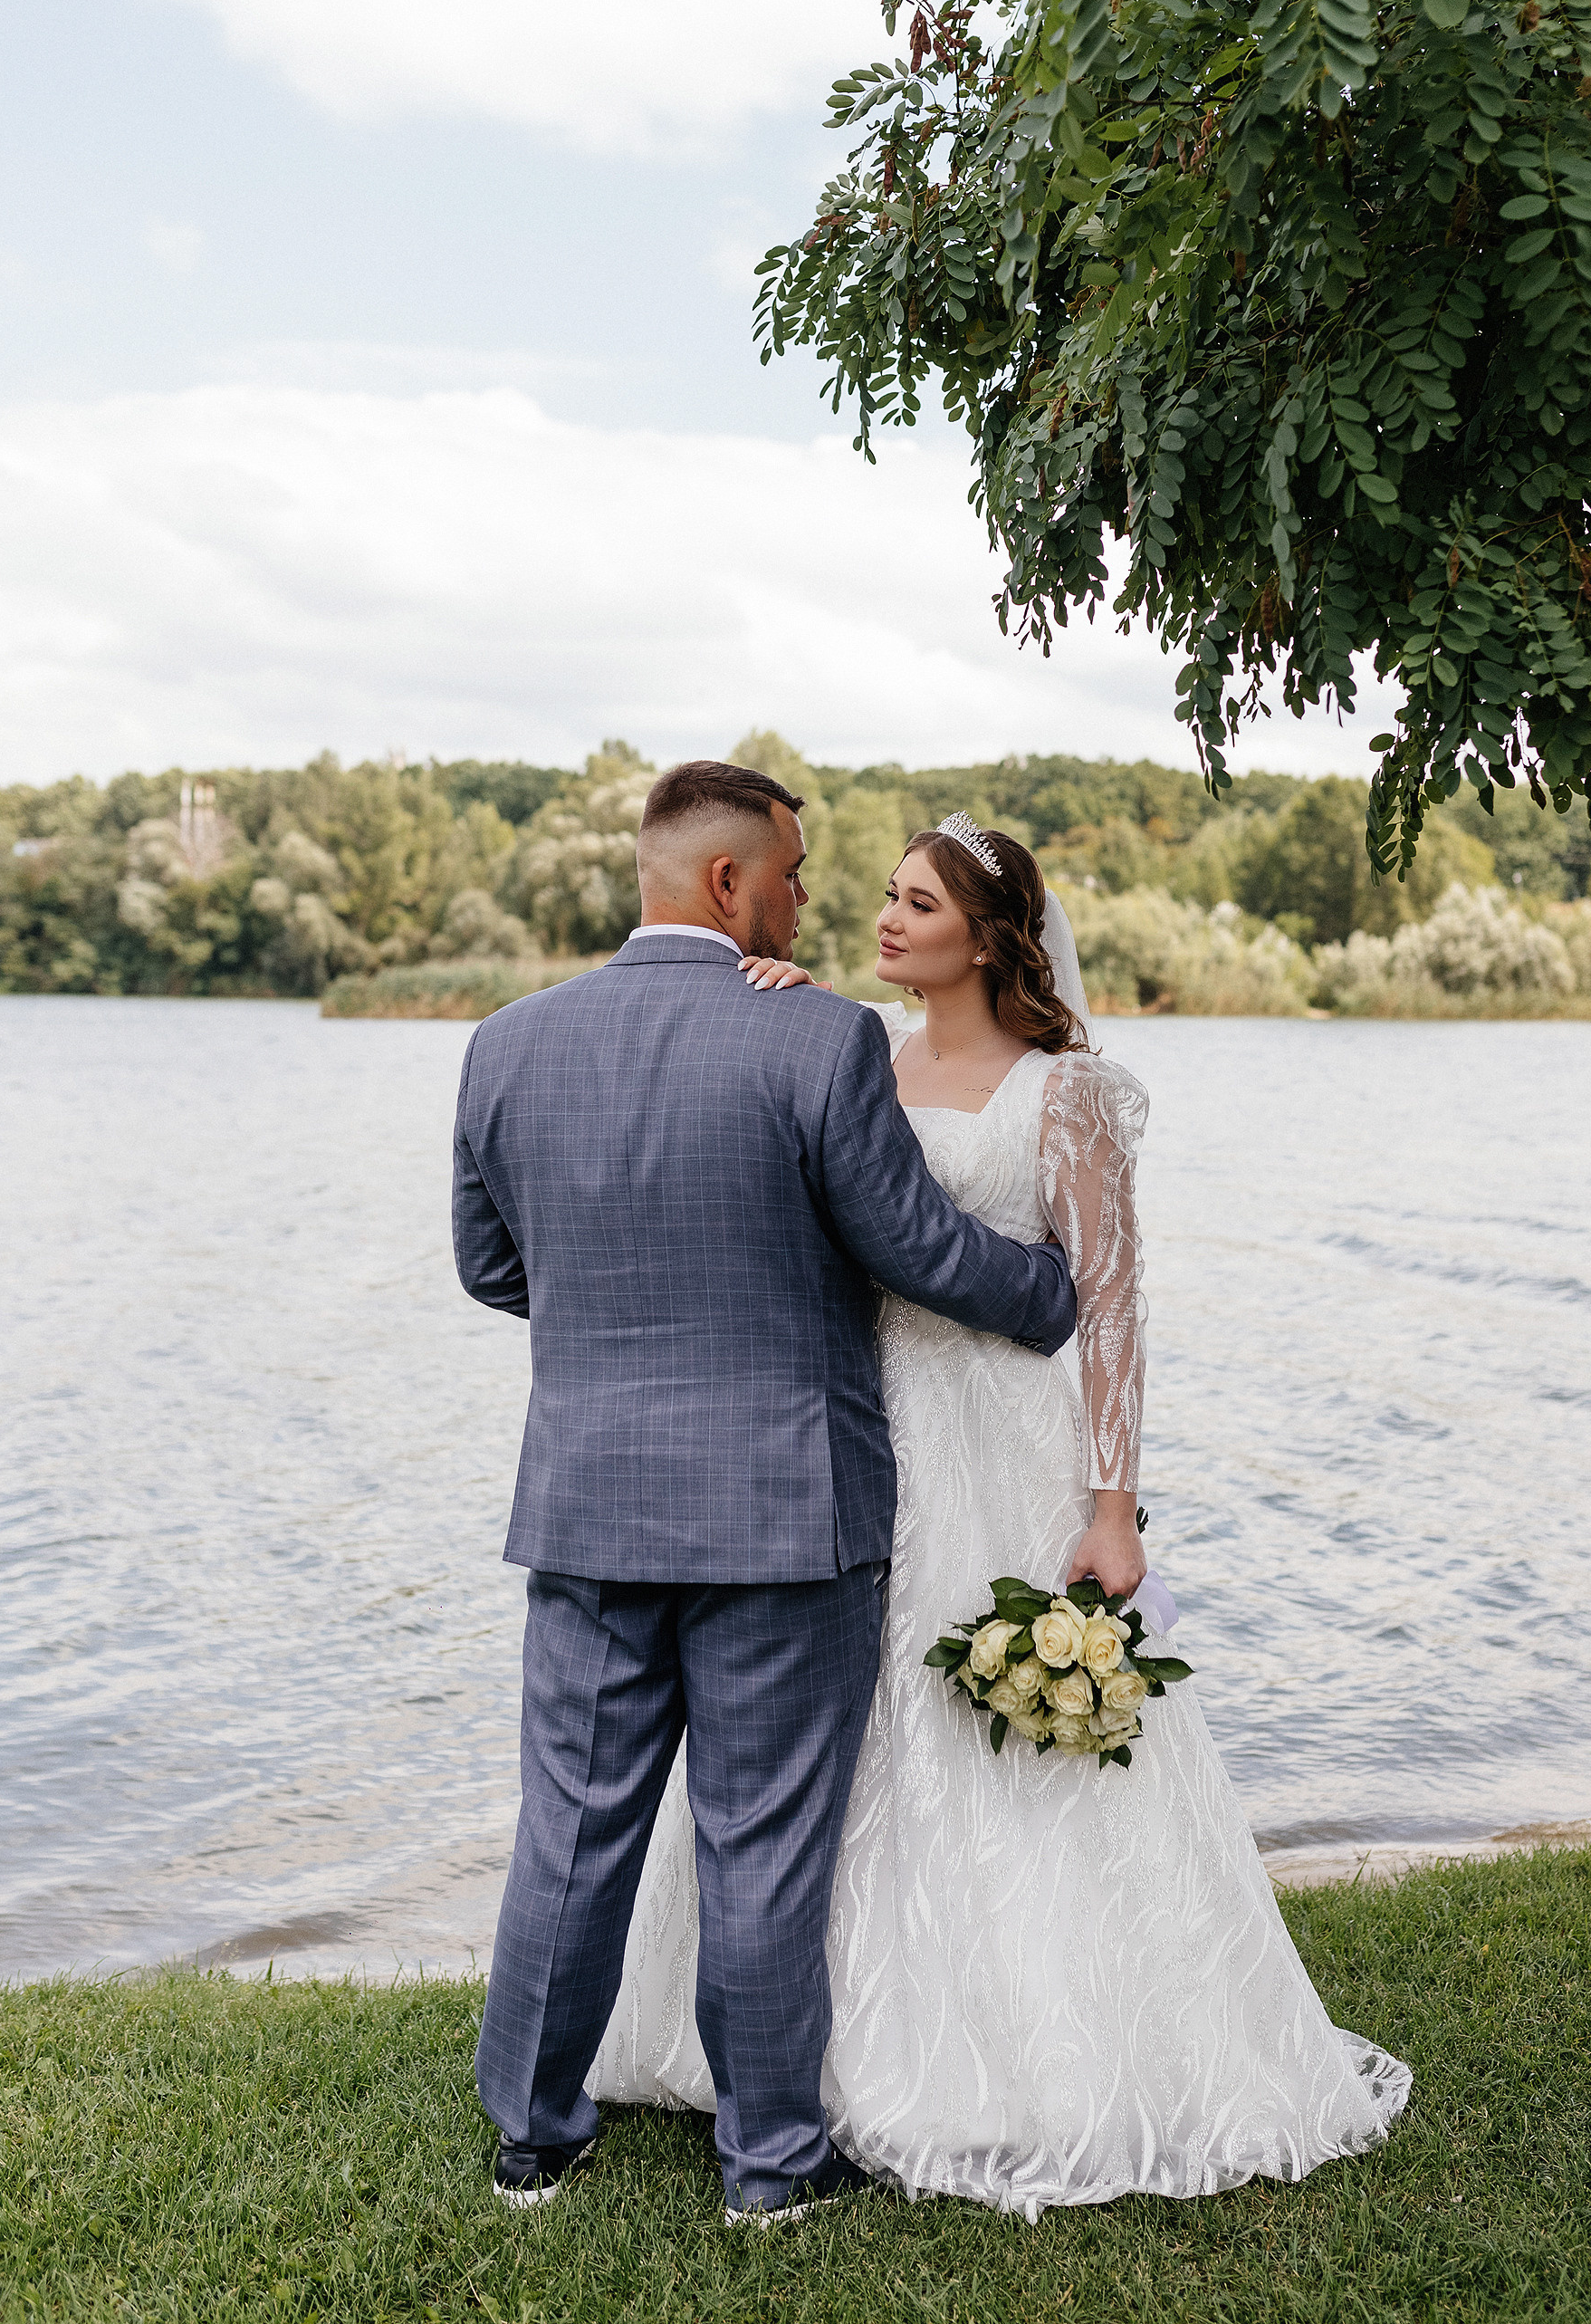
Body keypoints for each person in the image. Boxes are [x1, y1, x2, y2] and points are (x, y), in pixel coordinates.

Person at [590, 813, 1412, 2219]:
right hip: (856, 1438)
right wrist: (768, 1004)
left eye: (919, 904)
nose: (886, 920)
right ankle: (791, 2053)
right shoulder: (846, 1049)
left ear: (990, 934)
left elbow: (1114, 1306)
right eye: (887, 899)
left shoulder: (1066, 1093)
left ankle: (1037, 2058)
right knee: (830, 1743)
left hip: (1004, 1441)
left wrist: (1113, 1506)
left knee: (999, 1730)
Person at [453, 763, 1078, 2223]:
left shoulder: (506, 1042)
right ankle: (769, 2170)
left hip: (591, 1510)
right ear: (730, 886)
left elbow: (493, 1269)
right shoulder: (814, 1041)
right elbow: (915, 1244)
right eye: (796, 874)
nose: (811, 902)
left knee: (571, 1830)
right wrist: (1053, 1295)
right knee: (764, 1843)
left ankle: (534, 2143)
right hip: (789, 1519)